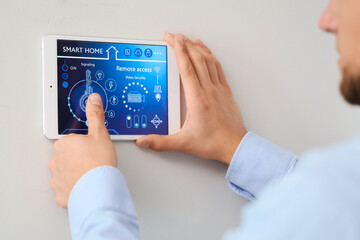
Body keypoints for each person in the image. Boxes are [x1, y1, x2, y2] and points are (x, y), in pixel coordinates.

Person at [49, 0, 360, 239]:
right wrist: (237, 147)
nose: (325, 20)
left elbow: (331, 201)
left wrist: (91, 191)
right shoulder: (339, 188)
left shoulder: (334, 189)